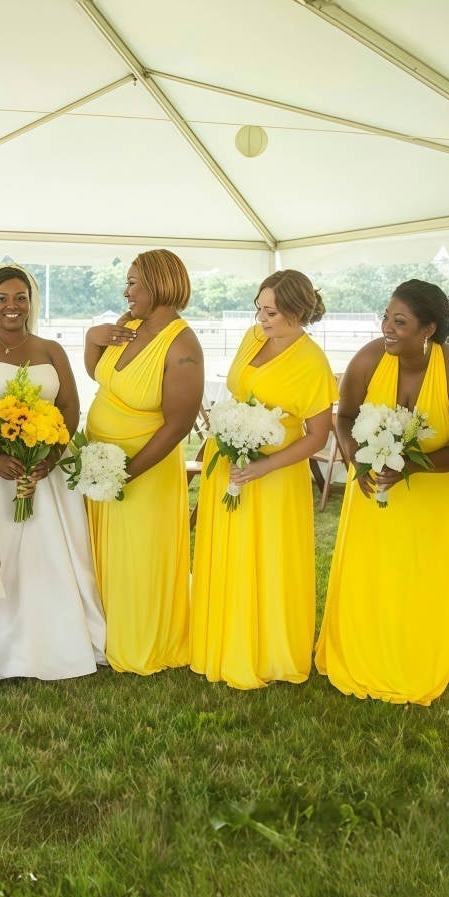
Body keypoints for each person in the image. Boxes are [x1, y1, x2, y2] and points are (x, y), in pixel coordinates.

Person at [316, 279, 449, 705]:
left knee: (422, 582)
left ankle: (416, 661)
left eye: (400, 321)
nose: (387, 328)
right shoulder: (371, 358)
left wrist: (410, 465)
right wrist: (357, 463)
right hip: (374, 491)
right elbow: (347, 416)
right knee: (372, 575)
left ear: (428, 328)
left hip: (438, 498)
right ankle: (362, 653)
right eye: (386, 317)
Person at [0, 265, 106, 680]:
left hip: (44, 474)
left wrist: (48, 459)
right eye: (2, 299)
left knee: (44, 556)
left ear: (31, 302)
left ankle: (52, 642)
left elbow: (70, 407)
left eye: (20, 298)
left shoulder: (51, 349)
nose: (12, 306)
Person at [190, 270, 338, 690]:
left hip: (273, 479)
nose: (261, 318)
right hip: (230, 465)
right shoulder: (253, 338)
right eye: (258, 308)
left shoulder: (311, 363)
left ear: (296, 312)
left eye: (270, 311)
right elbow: (236, 392)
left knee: (265, 560)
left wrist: (262, 467)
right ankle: (220, 640)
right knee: (228, 554)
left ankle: (265, 650)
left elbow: (318, 437)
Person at [83, 249, 204, 674]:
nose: (126, 290)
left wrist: (126, 474)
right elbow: (99, 374)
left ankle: (142, 641)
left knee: (137, 558)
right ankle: (101, 635)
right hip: (99, 468)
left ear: (158, 284)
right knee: (101, 554)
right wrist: (90, 340)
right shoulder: (127, 326)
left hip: (143, 471)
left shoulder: (183, 345)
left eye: (133, 282)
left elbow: (178, 426)